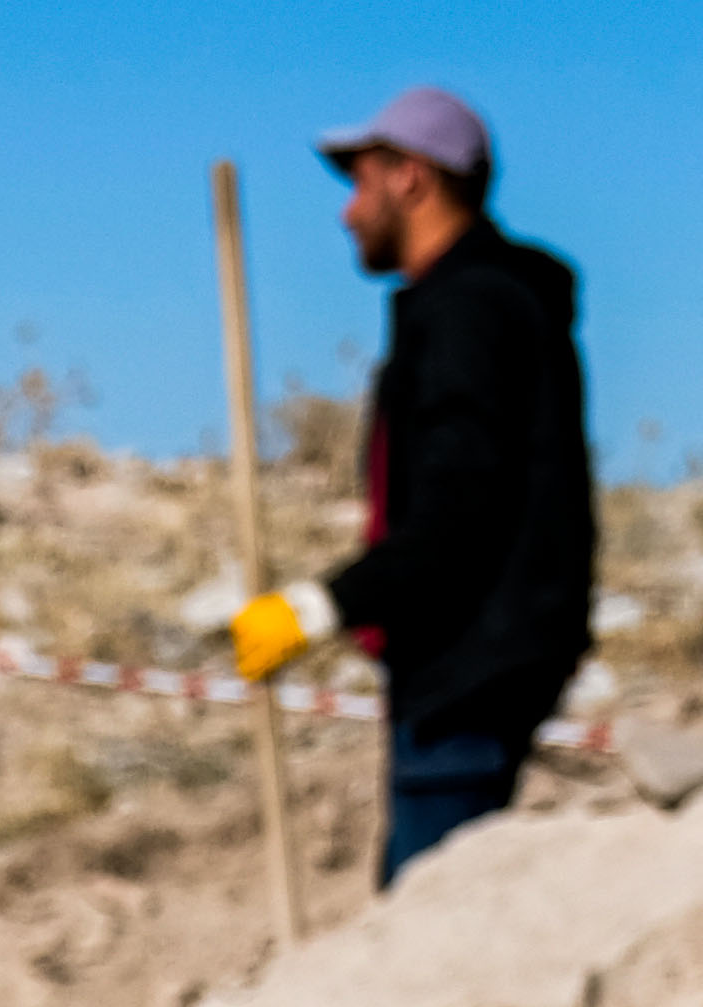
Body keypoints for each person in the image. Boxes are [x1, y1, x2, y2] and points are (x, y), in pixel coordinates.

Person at [225, 85, 596, 884]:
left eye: (360, 185)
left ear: (411, 179)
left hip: (469, 667)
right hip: (476, 664)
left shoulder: (469, 311)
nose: (346, 213)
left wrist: (319, 606)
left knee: (428, 916)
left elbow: (457, 511)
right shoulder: (492, 304)